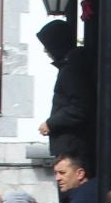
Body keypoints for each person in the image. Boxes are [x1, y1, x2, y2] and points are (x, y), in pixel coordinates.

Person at [36, 19, 93, 164]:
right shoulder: (73, 66)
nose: (45, 51)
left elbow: (79, 107)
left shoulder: (72, 70)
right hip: (72, 147)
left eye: (47, 45)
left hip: (72, 149)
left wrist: (51, 123)